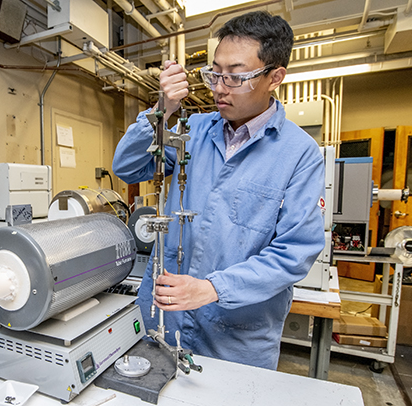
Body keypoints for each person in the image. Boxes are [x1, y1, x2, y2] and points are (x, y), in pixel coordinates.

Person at [112, 11, 326, 370]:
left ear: (275, 77)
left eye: (236, 77)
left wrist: (211, 289)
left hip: (236, 338)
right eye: (214, 73)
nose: (219, 87)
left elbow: (294, 252)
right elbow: (128, 167)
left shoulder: (299, 154)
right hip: (164, 321)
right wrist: (162, 111)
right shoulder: (192, 130)